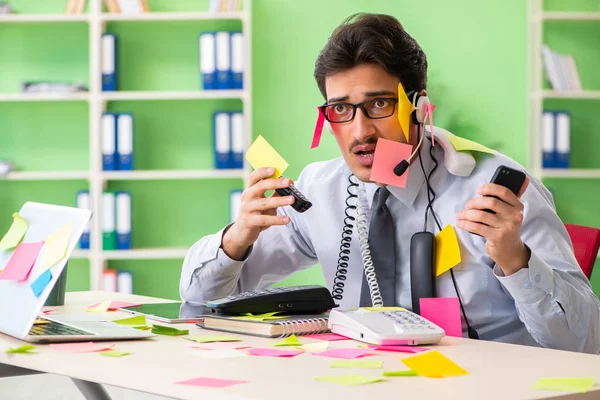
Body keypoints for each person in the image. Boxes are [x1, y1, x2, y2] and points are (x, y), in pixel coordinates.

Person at [180, 13, 600, 354]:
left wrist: (517, 260)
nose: (360, 131)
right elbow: (197, 299)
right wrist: (236, 240)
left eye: (378, 104)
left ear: (418, 107)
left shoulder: (495, 190)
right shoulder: (320, 188)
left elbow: (586, 343)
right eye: (341, 109)